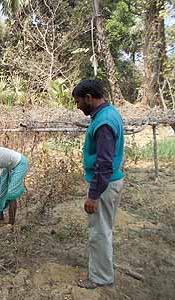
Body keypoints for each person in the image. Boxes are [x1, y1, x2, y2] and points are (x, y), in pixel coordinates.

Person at [72, 79, 125, 289]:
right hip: (109, 182)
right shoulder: (109, 114)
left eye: (77, 102)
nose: (77, 106)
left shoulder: (104, 122)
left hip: (104, 185)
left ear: (88, 97)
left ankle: (100, 277)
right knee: (104, 229)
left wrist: (93, 195)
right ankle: (104, 268)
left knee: (99, 232)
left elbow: (104, 163)